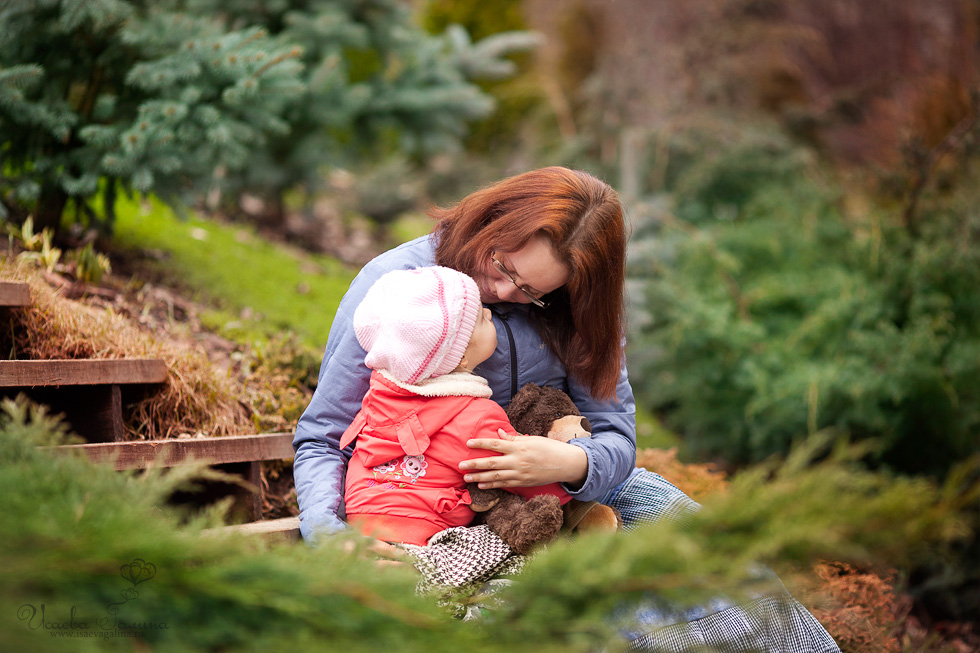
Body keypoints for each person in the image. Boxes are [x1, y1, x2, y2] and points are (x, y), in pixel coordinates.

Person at [293, 166, 839, 651]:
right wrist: (335, 540)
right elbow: (322, 436)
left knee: (709, 556)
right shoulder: (400, 289)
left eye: (531, 292)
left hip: (561, 493)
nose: (502, 291)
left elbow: (615, 436)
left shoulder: (576, 308)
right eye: (501, 265)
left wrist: (570, 465)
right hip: (451, 520)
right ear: (493, 219)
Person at [338, 265, 569, 546]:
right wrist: (569, 485)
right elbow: (525, 475)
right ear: (460, 357)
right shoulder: (478, 417)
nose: (489, 312)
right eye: (481, 319)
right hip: (427, 535)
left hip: (360, 521)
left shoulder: (379, 398)